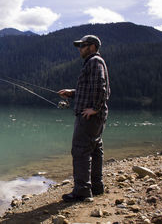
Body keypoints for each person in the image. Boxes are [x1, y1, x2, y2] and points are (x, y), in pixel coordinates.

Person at [58, 35, 110, 202]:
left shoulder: (94, 61)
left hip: (89, 117)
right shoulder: (94, 62)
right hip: (95, 117)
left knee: (80, 151)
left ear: (93, 47)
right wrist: (71, 93)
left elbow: (100, 87)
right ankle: (96, 186)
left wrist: (95, 108)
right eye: (79, 46)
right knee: (94, 149)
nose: (80, 48)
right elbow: (90, 88)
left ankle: (81, 191)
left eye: (83, 45)